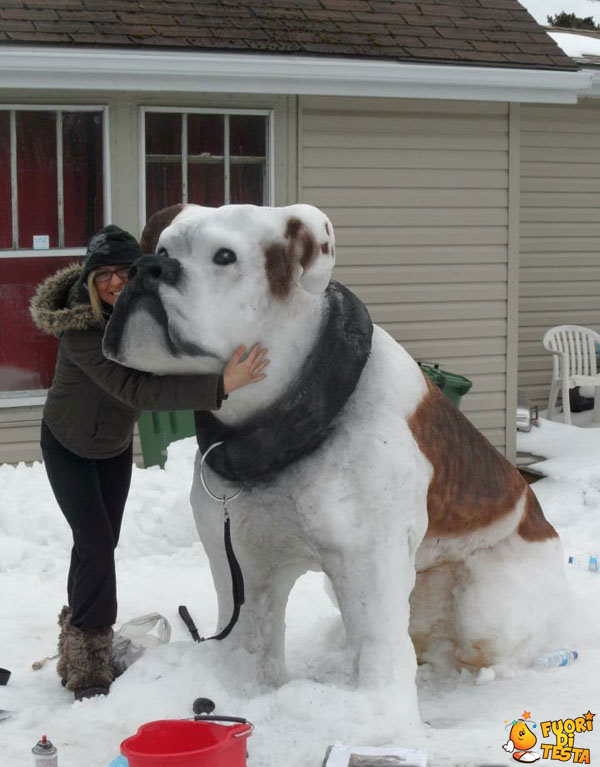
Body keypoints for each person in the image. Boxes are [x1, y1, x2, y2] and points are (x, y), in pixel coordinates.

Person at [29, 225, 269, 701]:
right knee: (95, 543)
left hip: (112, 446)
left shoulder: (139, 317)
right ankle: (88, 662)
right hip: (68, 445)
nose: (115, 282)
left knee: (99, 542)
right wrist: (222, 384)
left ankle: (77, 630)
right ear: (91, 280)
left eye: (125, 272)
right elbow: (135, 389)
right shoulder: (81, 332)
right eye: (105, 275)